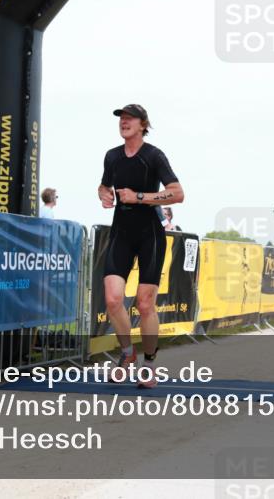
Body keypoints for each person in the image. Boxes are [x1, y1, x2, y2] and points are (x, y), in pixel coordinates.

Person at [98, 104, 184, 387]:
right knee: (112, 299)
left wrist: (139, 197)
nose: (123, 122)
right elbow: (103, 185)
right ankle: (126, 354)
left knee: (145, 304)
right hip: (121, 233)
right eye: (121, 118)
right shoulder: (112, 156)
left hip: (150, 236)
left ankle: (149, 364)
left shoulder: (153, 155)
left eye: (129, 118)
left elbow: (177, 194)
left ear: (143, 124)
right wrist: (105, 195)